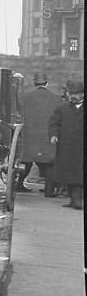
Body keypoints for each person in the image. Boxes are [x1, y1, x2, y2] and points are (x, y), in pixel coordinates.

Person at [20, 72, 58, 196]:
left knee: (26, 161)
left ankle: (19, 184)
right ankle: (49, 189)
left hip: (29, 135)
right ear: (47, 83)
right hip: (47, 136)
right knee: (49, 163)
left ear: (34, 82)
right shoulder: (56, 98)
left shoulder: (25, 97)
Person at [48, 79, 84, 210]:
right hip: (66, 146)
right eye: (71, 93)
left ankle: (78, 200)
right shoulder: (62, 108)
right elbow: (54, 123)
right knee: (68, 173)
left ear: (83, 94)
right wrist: (53, 135)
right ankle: (73, 200)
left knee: (79, 174)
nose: (72, 96)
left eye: (76, 93)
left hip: (81, 147)